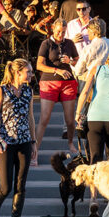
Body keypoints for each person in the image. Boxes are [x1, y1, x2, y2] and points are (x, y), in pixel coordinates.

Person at [0, 58, 37, 217]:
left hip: (24, 142)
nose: (31, 75)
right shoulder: (2, 90)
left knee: (20, 186)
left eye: (31, 71)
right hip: (6, 143)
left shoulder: (28, 91)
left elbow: (31, 117)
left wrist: (34, 141)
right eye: (28, 72)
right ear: (18, 73)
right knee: (6, 187)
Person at [76, 47, 109, 164]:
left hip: (96, 117)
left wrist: (78, 112)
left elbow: (85, 92)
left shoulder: (97, 69)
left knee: (95, 157)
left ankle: (95, 182)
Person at [36, 19, 79, 155]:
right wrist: (57, 70)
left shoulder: (70, 43)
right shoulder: (46, 43)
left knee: (70, 121)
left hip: (68, 83)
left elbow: (77, 60)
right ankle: (35, 149)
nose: (61, 34)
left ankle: (71, 143)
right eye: (59, 31)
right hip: (49, 82)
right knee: (44, 118)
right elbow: (39, 65)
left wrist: (70, 61)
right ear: (53, 28)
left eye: (63, 32)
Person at [65, 0, 96, 67]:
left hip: (91, 62)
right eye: (78, 9)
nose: (81, 11)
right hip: (75, 63)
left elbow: (101, 42)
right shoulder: (71, 24)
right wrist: (72, 41)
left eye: (83, 9)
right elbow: (64, 43)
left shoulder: (95, 24)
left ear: (89, 9)